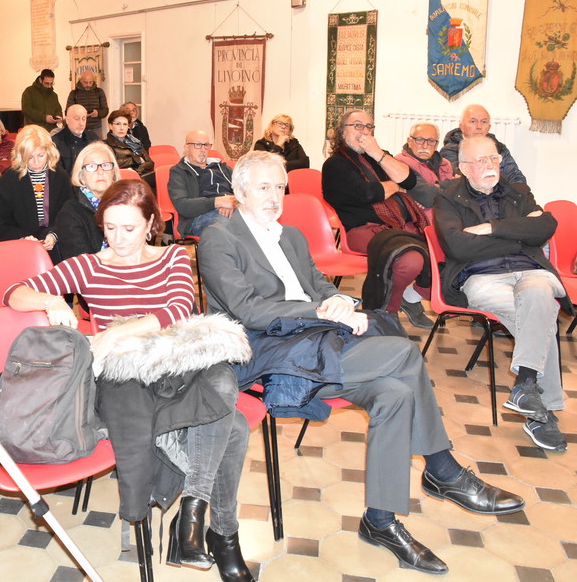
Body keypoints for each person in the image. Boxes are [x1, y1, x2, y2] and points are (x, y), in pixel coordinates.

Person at [199, 150, 526, 576]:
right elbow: (248, 310)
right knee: (404, 353)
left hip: (318, 344)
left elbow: (319, 285)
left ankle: (381, 521)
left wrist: (339, 302)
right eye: (263, 187)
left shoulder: (291, 235)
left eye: (280, 186)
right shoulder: (219, 238)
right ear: (240, 192)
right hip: (267, 353)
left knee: (394, 393)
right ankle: (443, 469)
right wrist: (320, 312)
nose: (275, 196)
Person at [6, 179, 254, 581]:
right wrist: (51, 300)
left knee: (223, 380)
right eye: (110, 228)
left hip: (177, 365)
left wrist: (117, 332)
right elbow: (14, 291)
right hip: (127, 380)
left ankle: (194, 508)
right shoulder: (89, 265)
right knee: (235, 425)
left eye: (129, 228)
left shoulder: (172, 257)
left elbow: (179, 308)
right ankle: (220, 532)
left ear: (151, 224)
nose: (118, 239)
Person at [434, 136, 568, 452]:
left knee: (539, 294)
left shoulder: (518, 191)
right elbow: (458, 246)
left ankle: (527, 388)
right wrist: (518, 233)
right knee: (539, 316)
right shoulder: (448, 197)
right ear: (463, 167)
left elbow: (545, 227)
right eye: (481, 160)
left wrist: (491, 228)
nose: (490, 165)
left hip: (530, 271)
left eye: (494, 158)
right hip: (482, 277)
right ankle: (539, 407)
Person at [321, 110, 433, 328]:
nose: (364, 132)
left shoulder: (379, 156)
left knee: (441, 248)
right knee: (409, 260)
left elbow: (409, 181)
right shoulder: (335, 164)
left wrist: (378, 154)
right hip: (363, 229)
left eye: (369, 127)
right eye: (357, 126)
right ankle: (384, 313)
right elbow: (370, 193)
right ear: (342, 131)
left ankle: (409, 298)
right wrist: (395, 186)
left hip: (398, 225)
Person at [0, 125, 69, 257]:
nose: (36, 162)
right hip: (20, 249)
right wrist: (23, 238)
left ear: (49, 152)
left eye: (41, 155)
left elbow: (68, 215)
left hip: (57, 246)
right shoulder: (8, 180)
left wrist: (54, 234)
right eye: (30, 157)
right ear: (21, 155)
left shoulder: (61, 177)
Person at [55, 141, 120, 261]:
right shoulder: (69, 213)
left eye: (106, 165)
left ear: (113, 172)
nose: (100, 172)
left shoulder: (124, 205)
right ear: (81, 176)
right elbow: (81, 264)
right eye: (91, 166)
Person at [168, 130, 236, 238]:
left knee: (258, 221)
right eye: (198, 145)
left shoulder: (223, 168)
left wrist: (232, 204)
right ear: (186, 148)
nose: (203, 149)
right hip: (199, 217)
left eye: (206, 145)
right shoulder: (179, 171)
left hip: (233, 209)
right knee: (228, 226)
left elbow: (244, 192)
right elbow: (182, 205)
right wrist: (218, 202)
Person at [440, 104, 526, 183]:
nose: (479, 126)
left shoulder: (499, 148)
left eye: (484, 122)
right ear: (461, 126)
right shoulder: (450, 150)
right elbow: (464, 180)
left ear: (489, 127)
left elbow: (517, 178)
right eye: (473, 121)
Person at [394, 122, 454, 189]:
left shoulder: (445, 163)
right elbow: (421, 191)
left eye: (431, 141)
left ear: (436, 145)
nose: (425, 146)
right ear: (409, 141)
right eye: (419, 140)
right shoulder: (400, 162)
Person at [104, 109, 155, 188]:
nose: (121, 128)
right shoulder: (105, 145)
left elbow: (150, 163)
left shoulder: (135, 142)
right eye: (118, 124)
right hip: (120, 183)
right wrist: (136, 159)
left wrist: (136, 171)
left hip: (140, 179)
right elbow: (112, 165)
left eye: (125, 124)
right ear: (110, 126)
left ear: (128, 126)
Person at [52, 103, 100, 179]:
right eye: (77, 119)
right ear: (67, 120)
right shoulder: (56, 141)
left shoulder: (93, 138)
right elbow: (58, 173)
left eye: (84, 119)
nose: (81, 123)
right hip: (68, 183)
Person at [66, 70, 109, 137]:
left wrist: (98, 113)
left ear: (93, 81)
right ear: (80, 81)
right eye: (85, 82)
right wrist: (80, 114)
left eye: (90, 82)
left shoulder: (99, 92)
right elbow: (68, 111)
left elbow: (105, 110)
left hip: (96, 128)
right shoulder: (74, 93)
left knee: (96, 144)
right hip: (79, 127)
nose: (88, 85)